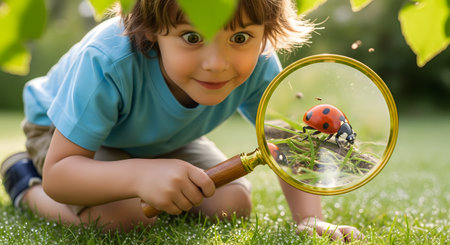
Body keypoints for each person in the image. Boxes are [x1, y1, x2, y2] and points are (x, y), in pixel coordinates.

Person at [1, 0, 362, 241]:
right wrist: (141, 176)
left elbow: (287, 144)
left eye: (240, 37)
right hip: (65, 135)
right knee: (125, 220)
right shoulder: (107, 61)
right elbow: (61, 174)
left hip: (166, 139)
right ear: (151, 31)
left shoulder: (262, 65)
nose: (216, 63)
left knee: (231, 205)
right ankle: (22, 183)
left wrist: (308, 218)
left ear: (266, 33)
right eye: (192, 37)